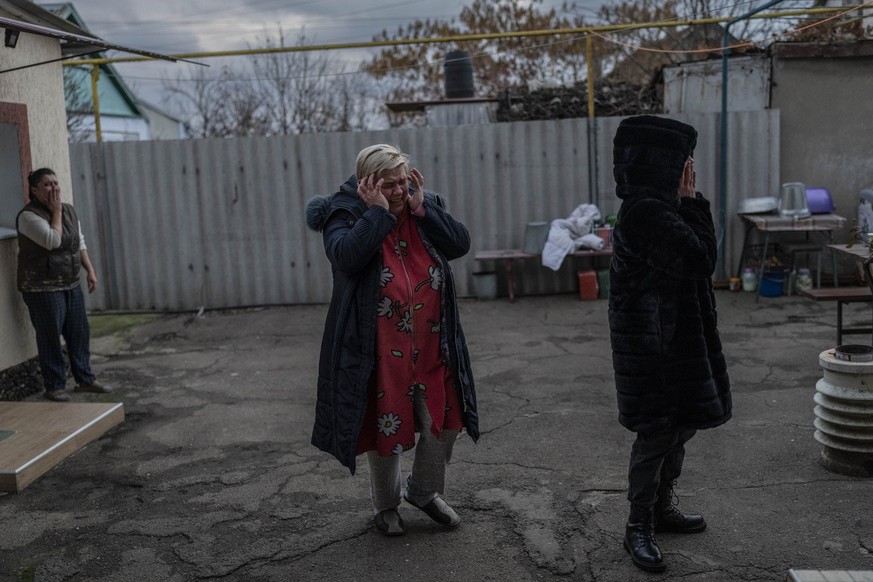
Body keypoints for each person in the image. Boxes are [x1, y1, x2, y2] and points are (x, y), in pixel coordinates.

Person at [305, 144, 479, 536]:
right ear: (368, 183)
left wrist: (424, 209)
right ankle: (386, 506)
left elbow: (460, 244)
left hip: (433, 344)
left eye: (403, 181)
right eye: (389, 184)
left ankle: (423, 490)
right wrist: (376, 214)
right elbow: (346, 257)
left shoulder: (421, 206)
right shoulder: (344, 213)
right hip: (379, 349)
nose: (399, 190)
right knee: (386, 428)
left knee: (445, 420)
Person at [608, 116, 732, 572]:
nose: (690, 168)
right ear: (662, 163)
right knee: (658, 431)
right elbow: (700, 259)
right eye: (683, 160)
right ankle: (637, 523)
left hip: (676, 340)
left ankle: (661, 507)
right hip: (653, 348)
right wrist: (693, 203)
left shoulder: (659, 207)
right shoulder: (646, 212)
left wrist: (685, 204)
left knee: (681, 425)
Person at [16, 168, 112, 402]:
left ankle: (85, 379)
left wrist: (89, 269)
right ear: (35, 190)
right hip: (41, 287)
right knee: (50, 337)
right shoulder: (29, 216)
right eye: (47, 184)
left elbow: (78, 242)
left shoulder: (68, 210)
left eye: (55, 183)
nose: (54, 188)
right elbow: (53, 241)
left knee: (79, 333)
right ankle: (55, 386)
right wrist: (56, 212)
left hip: (69, 283)